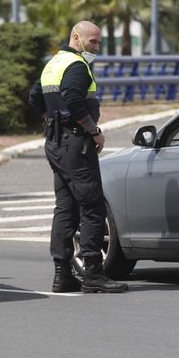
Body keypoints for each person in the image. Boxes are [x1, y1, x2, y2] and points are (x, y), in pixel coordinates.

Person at [28, 20, 127, 293]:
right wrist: (93, 130)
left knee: (65, 207)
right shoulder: (76, 66)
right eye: (92, 41)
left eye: (98, 42)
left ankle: (62, 274)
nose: (96, 47)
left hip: (56, 143)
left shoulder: (53, 64)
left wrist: (50, 119)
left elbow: (34, 97)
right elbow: (73, 99)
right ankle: (93, 272)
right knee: (92, 207)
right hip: (76, 144)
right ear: (76, 37)